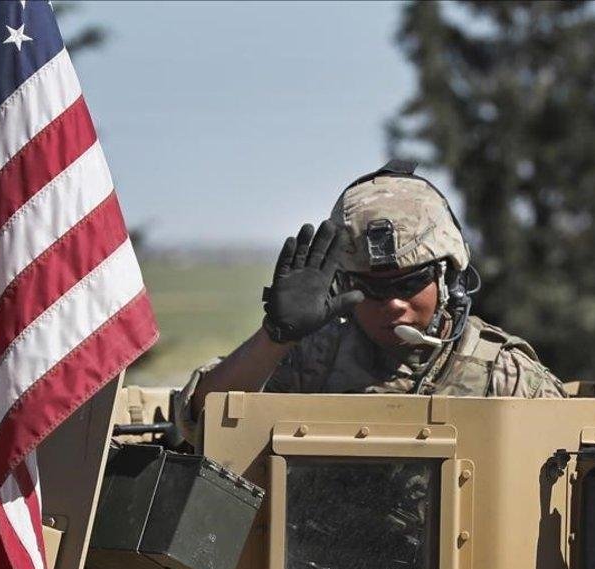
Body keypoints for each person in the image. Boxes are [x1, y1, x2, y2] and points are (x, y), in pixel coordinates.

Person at [178, 161, 565, 439]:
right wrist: (276, 336)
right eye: (372, 289)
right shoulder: (316, 357)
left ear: (448, 278)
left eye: (410, 283)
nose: (394, 305)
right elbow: (200, 419)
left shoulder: (505, 376)